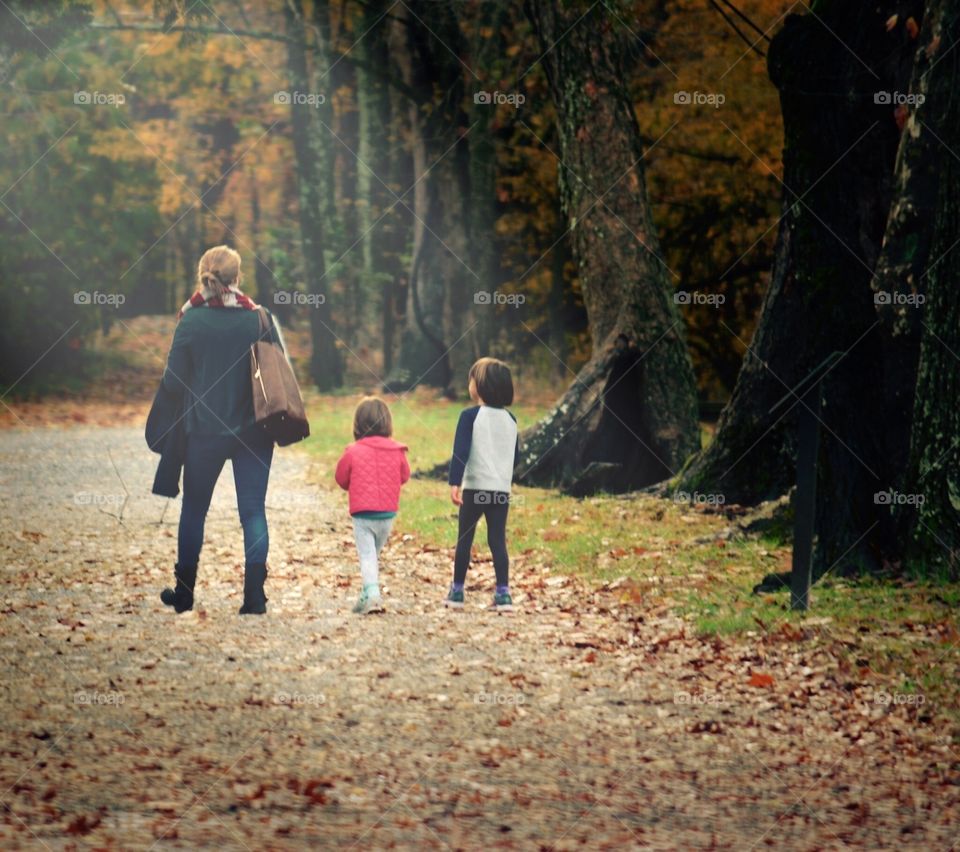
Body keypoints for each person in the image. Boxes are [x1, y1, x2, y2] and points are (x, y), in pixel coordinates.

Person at [157, 245, 280, 616]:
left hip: (203, 432)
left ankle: (184, 594)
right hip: (255, 432)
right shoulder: (259, 319)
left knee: (194, 509)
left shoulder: (190, 321)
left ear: (204, 279)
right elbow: (275, 375)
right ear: (237, 279)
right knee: (253, 511)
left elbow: (173, 382)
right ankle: (254, 598)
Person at [445, 358, 519, 613]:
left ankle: (457, 590)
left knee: (465, 538)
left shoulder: (469, 416)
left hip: (474, 488)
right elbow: (515, 456)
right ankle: (503, 593)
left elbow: (460, 452)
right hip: (500, 490)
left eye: (472, 379)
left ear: (480, 386)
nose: (470, 384)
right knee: (497, 540)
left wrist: (455, 482)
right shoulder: (511, 420)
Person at [335, 397, 410, 614]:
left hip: (363, 514)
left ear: (358, 425)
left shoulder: (352, 451)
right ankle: (365, 594)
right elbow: (404, 476)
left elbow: (341, 478)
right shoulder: (397, 451)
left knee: (367, 556)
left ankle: (373, 595)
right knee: (372, 556)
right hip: (387, 514)